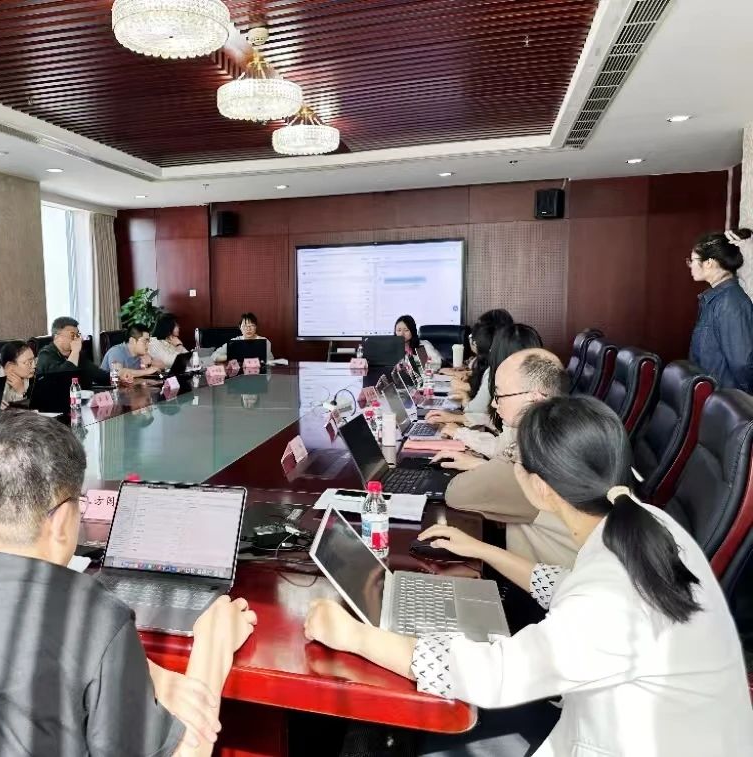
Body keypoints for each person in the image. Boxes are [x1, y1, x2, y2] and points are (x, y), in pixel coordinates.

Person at [305, 396, 753, 757]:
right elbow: (566, 586)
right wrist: (482, 550)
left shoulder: (608, 601)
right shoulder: (646, 522)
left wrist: (354, 636)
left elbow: (494, 674)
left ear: (539, 487)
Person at [0, 410, 257, 757]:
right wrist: (213, 645)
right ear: (63, 521)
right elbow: (189, 750)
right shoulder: (89, 612)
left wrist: (146, 673)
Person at [434, 349, 577, 567]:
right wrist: (482, 464)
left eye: (500, 395)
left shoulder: (532, 457)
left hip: (552, 581)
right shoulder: (562, 433)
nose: (493, 404)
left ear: (534, 399)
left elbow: (457, 493)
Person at [429, 323, 543, 459]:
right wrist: (458, 420)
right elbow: (497, 424)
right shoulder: (533, 381)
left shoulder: (519, 393)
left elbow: (503, 450)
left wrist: (460, 433)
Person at [687, 229, 753, 392]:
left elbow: (742, 364)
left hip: (724, 401)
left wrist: (743, 401)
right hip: (709, 398)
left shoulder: (731, 303)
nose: (690, 265)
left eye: (693, 260)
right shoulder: (714, 299)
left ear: (709, 262)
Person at [35, 316, 111, 386]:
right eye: (72, 335)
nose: (78, 339)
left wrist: (116, 376)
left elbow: (99, 376)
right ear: (57, 337)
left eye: (78, 335)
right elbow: (64, 380)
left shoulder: (77, 355)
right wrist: (75, 352)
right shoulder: (46, 355)